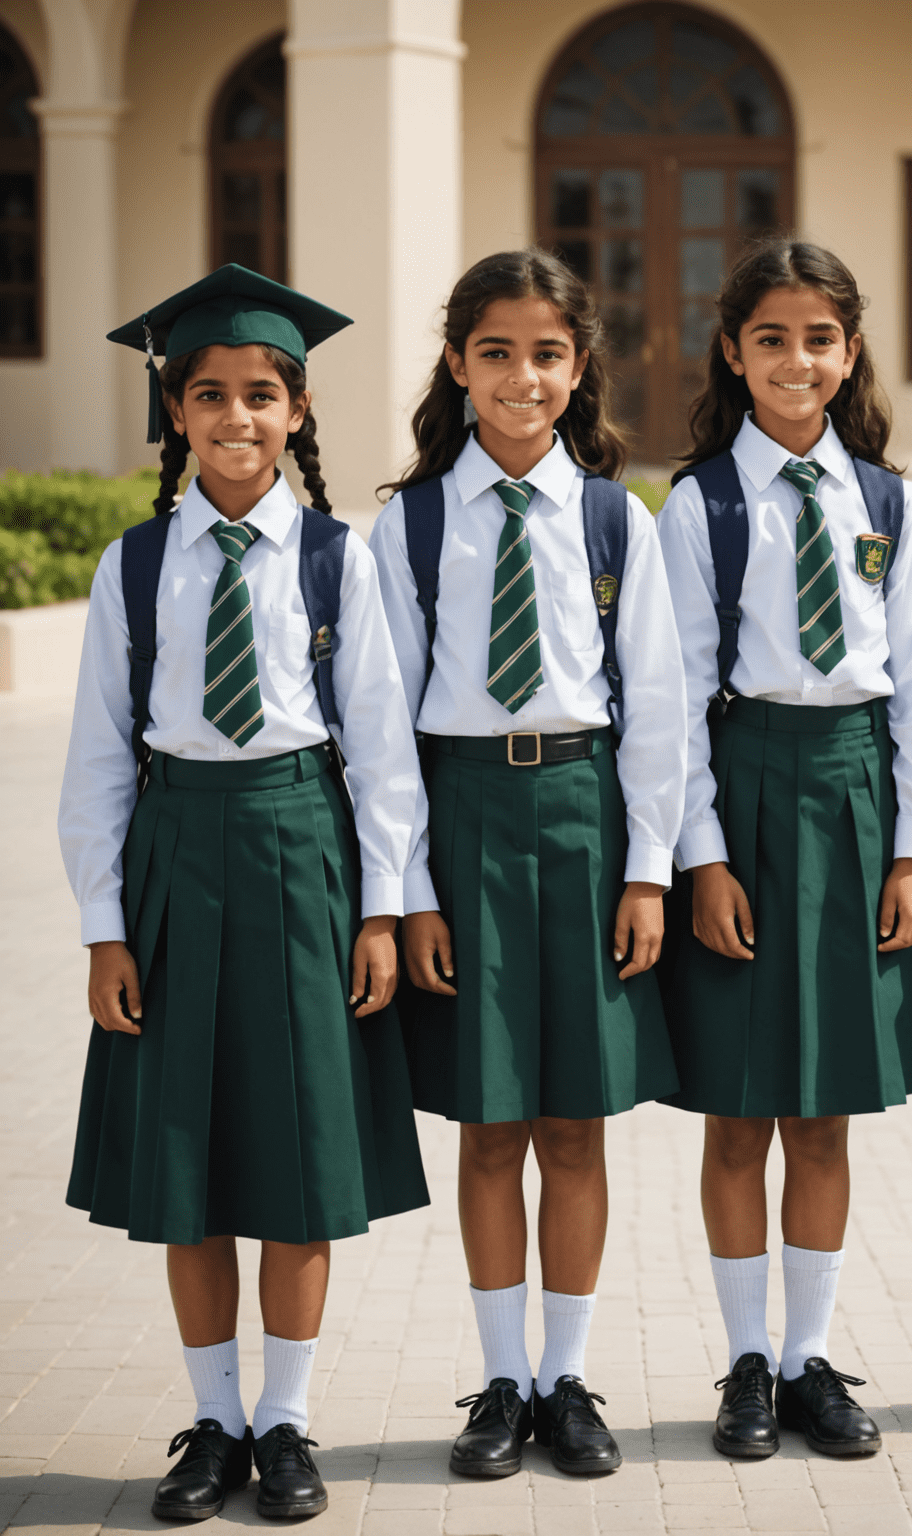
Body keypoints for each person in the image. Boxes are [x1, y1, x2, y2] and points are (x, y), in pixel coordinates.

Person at [62, 265, 430, 1520]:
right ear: (175, 413)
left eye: (261, 394)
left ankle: (287, 1422)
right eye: (209, 394)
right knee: (189, 1156)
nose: (236, 416)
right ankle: (212, 1421)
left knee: (296, 1153)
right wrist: (106, 929)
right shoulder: (136, 565)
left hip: (299, 857)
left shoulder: (338, 560)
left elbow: (381, 753)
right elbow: (101, 758)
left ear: (301, 407)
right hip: (176, 862)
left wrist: (381, 907)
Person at [370, 249, 687, 1479]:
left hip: (581, 813)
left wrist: (649, 868)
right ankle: (501, 1381)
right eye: (495, 352)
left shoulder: (616, 518)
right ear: (458, 366)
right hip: (463, 819)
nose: (521, 377)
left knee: (575, 1126)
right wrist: (410, 890)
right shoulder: (413, 521)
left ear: (579, 367)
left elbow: (655, 707)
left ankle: (569, 1377)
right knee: (490, 1125)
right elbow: (385, 720)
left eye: (546, 353)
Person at [656, 238, 912, 1460]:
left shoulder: (891, 501)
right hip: (744, 785)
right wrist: (701, 855)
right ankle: (740, 1362)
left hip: (852, 798)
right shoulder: (698, 506)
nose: (796, 359)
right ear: (733, 352)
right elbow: (670, 697)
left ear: (850, 352)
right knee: (739, 1111)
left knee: (824, 1110)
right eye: (770, 337)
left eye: (819, 337)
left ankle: (808, 1358)